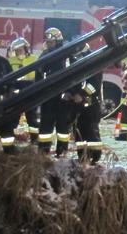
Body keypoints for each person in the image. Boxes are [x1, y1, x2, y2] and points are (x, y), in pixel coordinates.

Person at [37, 27, 75, 156]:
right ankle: (43, 151)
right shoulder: (44, 55)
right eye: (47, 42)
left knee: (62, 127)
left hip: (63, 97)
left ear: (58, 41)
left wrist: (69, 92)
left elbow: (72, 75)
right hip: (48, 96)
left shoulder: (66, 55)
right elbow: (39, 73)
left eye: (51, 42)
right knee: (45, 126)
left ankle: (62, 151)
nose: (49, 44)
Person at [67, 44, 103, 163]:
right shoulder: (75, 62)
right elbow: (72, 81)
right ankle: (82, 155)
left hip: (91, 104)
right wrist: (71, 93)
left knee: (91, 130)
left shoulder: (94, 62)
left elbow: (94, 85)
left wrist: (82, 95)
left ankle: (95, 155)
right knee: (78, 131)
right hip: (77, 105)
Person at [8, 37, 40, 143]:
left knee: (32, 117)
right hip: (16, 91)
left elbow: (39, 75)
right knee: (13, 117)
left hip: (31, 90)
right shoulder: (11, 61)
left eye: (20, 50)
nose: (18, 52)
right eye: (16, 51)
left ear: (26, 49)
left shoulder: (35, 59)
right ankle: (10, 138)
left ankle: (34, 139)